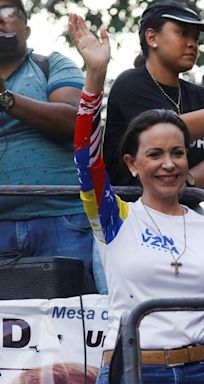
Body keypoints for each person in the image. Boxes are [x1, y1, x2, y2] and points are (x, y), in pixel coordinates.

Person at [68, 14, 204, 384]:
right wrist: (95, 76)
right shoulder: (114, 218)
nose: (168, 164)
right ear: (131, 165)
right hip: (134, 370)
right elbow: (85, 156)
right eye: (154, 155)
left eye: (178, 153)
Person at [0, 0, 95, 280]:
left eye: (8, 13)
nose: (0, 20)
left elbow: (75, 122)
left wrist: (6, 99)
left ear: (27, 30)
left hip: (63, 217)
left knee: (74, 317)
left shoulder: (51, 64)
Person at [105, 1, 204, 191]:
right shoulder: (131, 84)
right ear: (151, 37)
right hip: (130, 209)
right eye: (182, 33)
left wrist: (182, 184)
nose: (192, 44)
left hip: (186, 208)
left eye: (196, 38)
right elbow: (165, 132)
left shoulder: (203, 97)